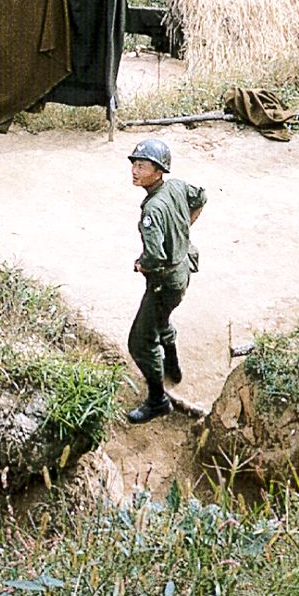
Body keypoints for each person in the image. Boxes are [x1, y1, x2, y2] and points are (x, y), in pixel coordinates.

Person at [125, 138, 205, 424]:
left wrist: (141, 264)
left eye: (142, 165)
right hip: (182, 271)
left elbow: (155, 257)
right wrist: (183, 229)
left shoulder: (151, 211)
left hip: (164, 280)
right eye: (134, 163)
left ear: (158, 172)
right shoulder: (177, 186)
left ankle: (158, 400)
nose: (134, 169)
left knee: (139, 342)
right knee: (161, 318)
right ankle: (173, 365)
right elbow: (201, 197)